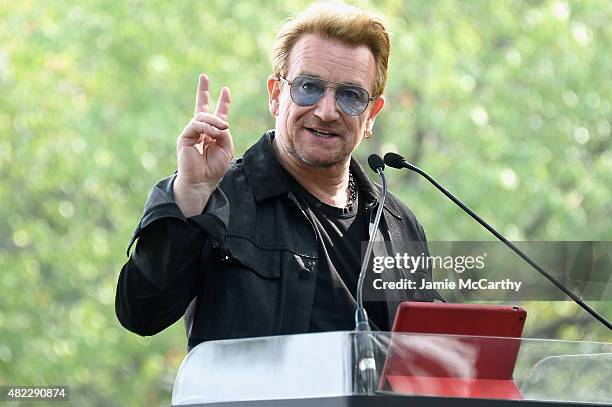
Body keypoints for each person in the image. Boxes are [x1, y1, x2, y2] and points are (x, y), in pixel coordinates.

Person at [115, 2, 440, 350]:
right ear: (275, 95)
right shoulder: (218, 199)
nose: (327, 111)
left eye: (351, 95)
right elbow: (141, 313)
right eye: (308, 87)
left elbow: (429, 359)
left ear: (371, 114)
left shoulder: (397, 223)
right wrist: (190, 196)